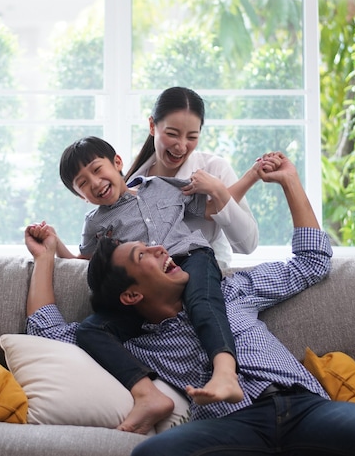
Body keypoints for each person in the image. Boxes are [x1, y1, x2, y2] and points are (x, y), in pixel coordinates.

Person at [24, 152, 355, 456]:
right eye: (142, 254)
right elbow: (46, 329)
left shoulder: (234, 290)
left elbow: (312, 262)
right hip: (230, 423)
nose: (160, 247)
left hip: (301, 404)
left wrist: (289, 181)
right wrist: (45, 258)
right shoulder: (134, 340)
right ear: (131, 296)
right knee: (152, 454)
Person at [46, 136, 275, 433]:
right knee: (91, 328)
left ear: (117, 163)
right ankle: (148, 396)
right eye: (83, 183)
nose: (95, 182)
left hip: (191, 259)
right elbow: (89, 265)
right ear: (81, 196)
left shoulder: (162, 186)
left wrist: (253, 175)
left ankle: (225, 373)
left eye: (97, 169)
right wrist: (55, 247)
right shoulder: (95, 225)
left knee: (202, 303)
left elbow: (212, 209)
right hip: (147, 286)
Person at [126, 86, 258, 271]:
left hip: (205, 277)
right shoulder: (133, 182)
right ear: (152, 126)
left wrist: (218, 191)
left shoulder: (214, 168)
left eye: (192, 137)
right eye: (172, 134)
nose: (181, 146)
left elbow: (247, 244)